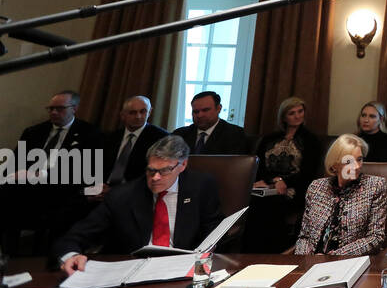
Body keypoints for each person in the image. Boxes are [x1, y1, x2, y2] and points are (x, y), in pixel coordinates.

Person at [54, 135, 223, 274]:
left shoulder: (201, 186)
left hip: (184, 269)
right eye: (151, 170)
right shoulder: (122, 196)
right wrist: (71, 255)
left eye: (164, 171)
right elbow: (75, 236)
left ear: (183, 165)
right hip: (134, 270)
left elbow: (213, 229)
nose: (155, 177)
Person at [3, 90, 102, 254]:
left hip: (62, 187)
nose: (54, 112)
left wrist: (44, 175)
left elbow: (87, 170)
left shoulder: (89, 133)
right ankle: (9, 256)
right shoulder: (33, 132)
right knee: (6, 193)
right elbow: (14, 162)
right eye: (51, 108)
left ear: (75, 108)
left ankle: (47, 257)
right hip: (27, 186)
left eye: (60, 108)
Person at [244, 96, 323, 251]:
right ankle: (249, 252)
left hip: (296, 187)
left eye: (300, 111)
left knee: (272, 203)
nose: (297, 116)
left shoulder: (311, 140)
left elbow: (308, 172)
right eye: (292, 113)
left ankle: (273, 251)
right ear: (284, 117)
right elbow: (259, 165)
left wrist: (284, 182)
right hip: (268, 183)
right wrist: (270, 180)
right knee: (253, 201)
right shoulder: (269, 138)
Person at [294, 134, 387, 256]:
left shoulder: (375, 186)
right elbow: (305, 236)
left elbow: (375, 237)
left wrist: (332, 257)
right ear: (334, 164)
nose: (357, 166)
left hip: (348, 261)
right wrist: (306, 259)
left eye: (359, 159)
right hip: (311, 262)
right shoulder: (316, 187)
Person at [99, 96, 169, 189]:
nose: (138, 116)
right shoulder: (110, 137)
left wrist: (117, 191)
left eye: (143, 111)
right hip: (104, 189)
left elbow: (156, 174)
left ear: (150, 112)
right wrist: (96, 189)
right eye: (132, 112)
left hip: (135, 192)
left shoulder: (161, 138)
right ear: (123, 115)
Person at [172, 91, 250, 155]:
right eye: (196, 111)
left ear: (219, 109)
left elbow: (235, 167)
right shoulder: (180, 135)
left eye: (205, 110)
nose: (200, 115)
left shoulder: (234, 134)